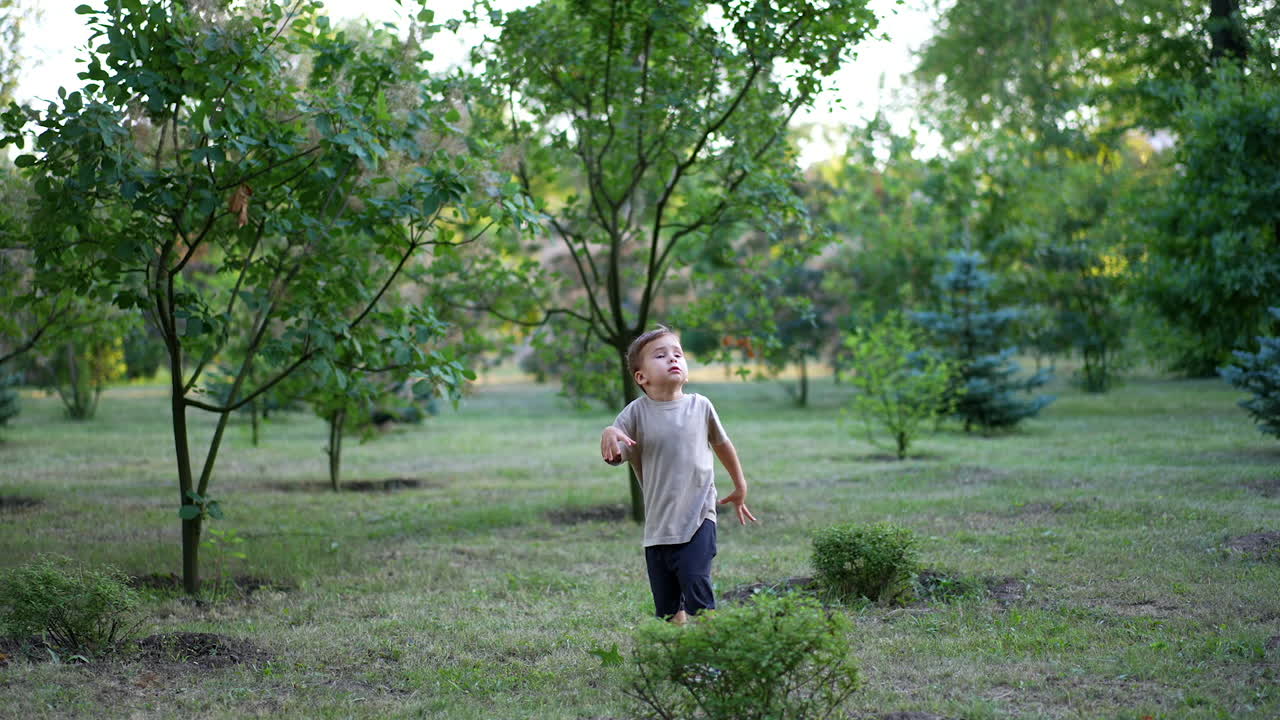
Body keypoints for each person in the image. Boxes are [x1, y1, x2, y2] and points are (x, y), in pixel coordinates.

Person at [600, 325, 757, 624]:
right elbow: (615, 455)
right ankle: (678, 650)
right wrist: (609, 433)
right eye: (660, 355)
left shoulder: (700, 406)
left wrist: (740, 485)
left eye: (678, 354)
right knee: (668, 609)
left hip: (699, 516)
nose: (673, 359)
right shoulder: (634, 414)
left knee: (697, 586)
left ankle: (710, 650)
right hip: (658, 528)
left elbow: (722, 444)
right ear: (641, 377)